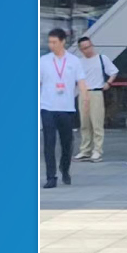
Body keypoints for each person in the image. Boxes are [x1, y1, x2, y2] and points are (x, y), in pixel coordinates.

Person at [40, 28, 87, 189]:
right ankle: (51, 177)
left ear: (63, 42)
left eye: (54, 42)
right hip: (47, 107)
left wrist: (85, 98)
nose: (51, 45)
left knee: (67, 143)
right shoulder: (43, 61)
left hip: (66, 108)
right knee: (49, 142)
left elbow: (81, 82)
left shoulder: (74, 61)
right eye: (50, 42)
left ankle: (64, 168)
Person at [73, 36, 117, 162]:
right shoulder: (79, 62)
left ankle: (97, 150)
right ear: (81, 50)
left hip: (96, 92)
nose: (88, 50)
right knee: (85, 123)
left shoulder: (102, 58)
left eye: (89, 46)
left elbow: (113, 71)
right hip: (83, 93)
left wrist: (108, 83)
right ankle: (85, 150)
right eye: (85, 48)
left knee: (97, 123)